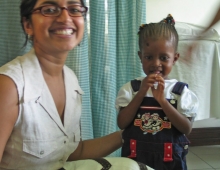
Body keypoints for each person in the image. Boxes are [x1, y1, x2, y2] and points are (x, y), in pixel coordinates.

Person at [0, 0, 154, 169]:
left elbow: (74, 152)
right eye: (49, 9)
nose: (65, 17)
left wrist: (131, 132)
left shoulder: (71, 80)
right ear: (28, 24)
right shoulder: (9, 85)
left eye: (74, 9)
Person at [115, 14, 199, 170]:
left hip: (171, 161)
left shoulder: (180, 92)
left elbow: (186, 129)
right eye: (148, 57)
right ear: (140, 57)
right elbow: (122, 123)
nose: (156, 64)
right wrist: (141, 93)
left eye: (163, 57)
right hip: (135, 159)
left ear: (175, 58)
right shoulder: (131, 89)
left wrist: (162, 101)